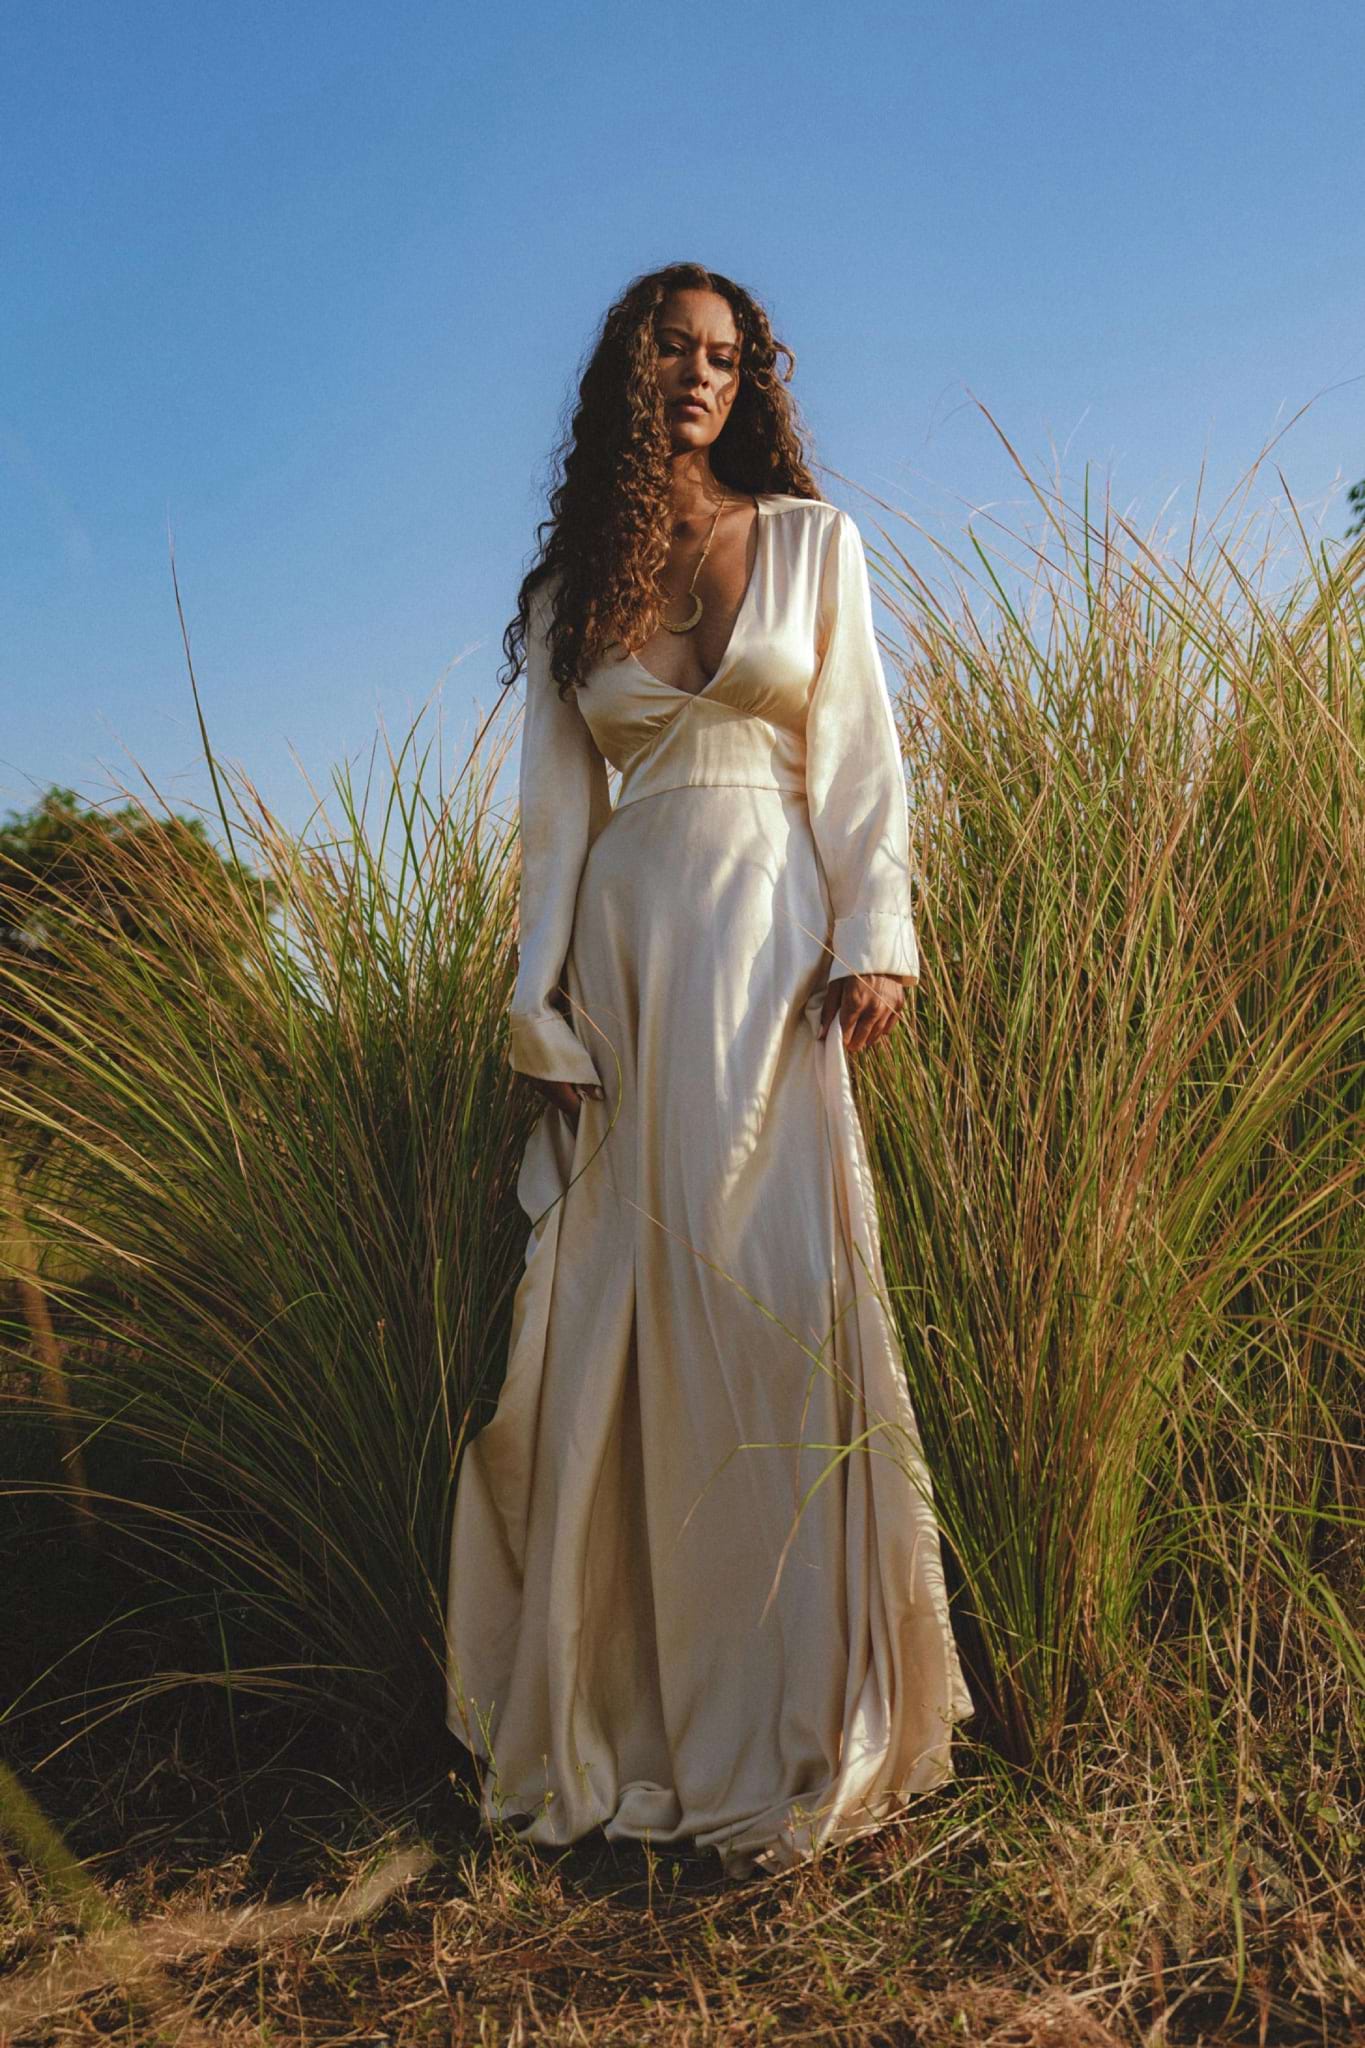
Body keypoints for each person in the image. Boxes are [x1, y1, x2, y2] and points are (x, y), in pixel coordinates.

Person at [445, 261, 973, 1880]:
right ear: (625, 368)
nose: (699, 376)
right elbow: (556, 828)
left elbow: (859, 757)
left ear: (754, 382)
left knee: (775, 1291)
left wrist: (873, 929)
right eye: (672, 349)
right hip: (624, 964)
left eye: (727, 357)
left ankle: (802, 1718)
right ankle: (632, 1720)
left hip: (770, 953)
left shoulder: (814, 544)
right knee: (627, 1314)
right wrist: (540, 1010)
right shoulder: (567, 597)